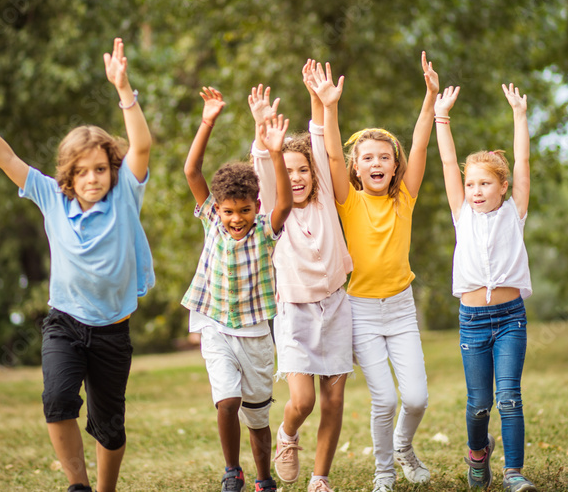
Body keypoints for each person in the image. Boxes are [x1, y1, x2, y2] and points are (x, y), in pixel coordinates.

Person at [0, 38, 154, 492]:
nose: (93, 178)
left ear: (111, 170)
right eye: (83, 172)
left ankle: (104, 490)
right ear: (68, 176)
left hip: (113, 330)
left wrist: (124, 89)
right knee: (57, 401)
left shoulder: (124, 196)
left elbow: (141, 144)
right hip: (65, 323)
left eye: (100, 168)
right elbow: (5, 157)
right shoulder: (51, 198)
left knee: (109, 427)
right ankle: (78, 486)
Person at [308, 54, 437, 492]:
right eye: (368, 157)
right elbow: (330, 151)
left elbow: (420, 144)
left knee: (416, 399)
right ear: (357, 166)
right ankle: (384, 471)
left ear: (394, 166)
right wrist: (329, 106)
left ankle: (403, 447)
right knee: (383, 398)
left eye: (385, 156)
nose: (377, 162)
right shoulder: (349, 199)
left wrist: (431, 97)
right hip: (360, 310)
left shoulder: (405, 198)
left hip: (400, 308)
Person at [181, 87, 293, 492]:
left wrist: (276, 152)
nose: (235, 218)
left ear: (255, 205)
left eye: (244, 210)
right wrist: (208, 119)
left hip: (256, 335)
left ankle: (264, 479)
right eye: (229, 211)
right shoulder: (211, 218)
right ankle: (233, 471)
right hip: (215, 325)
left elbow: (283, 203)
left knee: (258, 419)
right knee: (226, 400)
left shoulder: (266, 229)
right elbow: (192, 171)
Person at [247, 69, 354, 492]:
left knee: (333, 399)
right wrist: (261, 127)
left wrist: (322, 100)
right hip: (294, 310)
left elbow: (319, 135)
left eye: (302, 169)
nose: (296, 176)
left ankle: (320, 477)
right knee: (304, 401)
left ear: (313, 173)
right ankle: (288, 435)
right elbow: (262, 162)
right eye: (287, 170)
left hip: (336, 306)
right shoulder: (277, 209)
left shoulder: (325, 192)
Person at [434, 83, 538, 492]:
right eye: (471, 184)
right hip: (473, 321)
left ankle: (514, 473)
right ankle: (478, 453)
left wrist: (519, 114)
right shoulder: (462, 215)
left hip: (511, 319)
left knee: (509, 397)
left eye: (485, 184)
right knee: (479, 405)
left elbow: (523, 160)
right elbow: (446, 162)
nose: (476, 191)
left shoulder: (516, 212)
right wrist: (443, 116)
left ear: (502, 187)